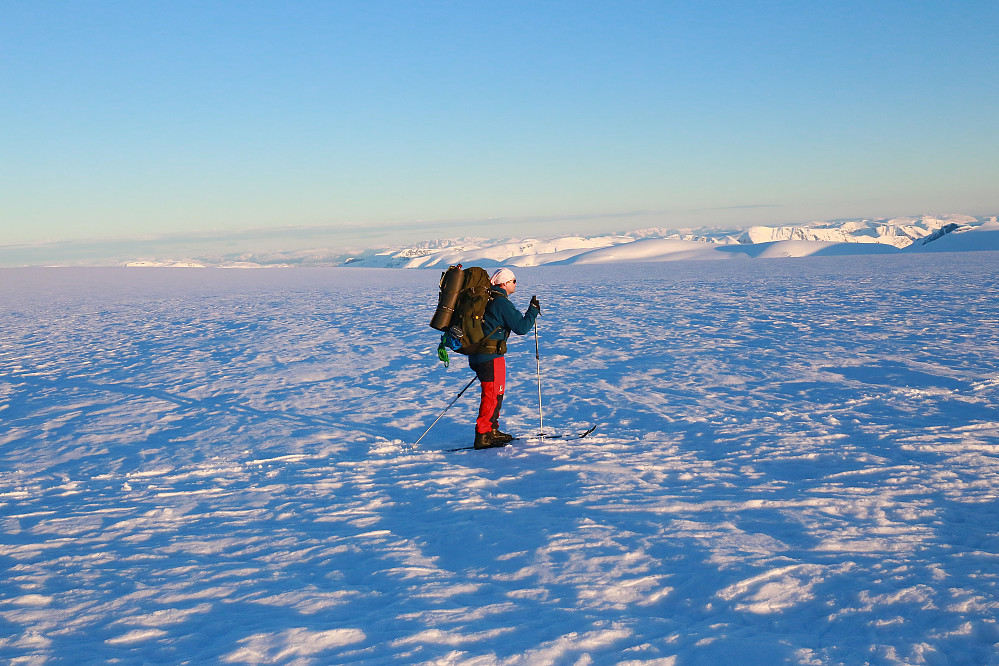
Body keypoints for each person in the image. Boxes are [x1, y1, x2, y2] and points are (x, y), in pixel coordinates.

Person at [468, 268, 541, 449]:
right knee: (492, 395)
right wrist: (532, 311)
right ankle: (483, 434)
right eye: (514, 281)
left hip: (479, 354)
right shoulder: (500, 302)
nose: (515, 284)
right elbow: (521, 327)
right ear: (505, 283)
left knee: (495, 393)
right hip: (491, 355)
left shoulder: (487, 298)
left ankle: (492, 430)